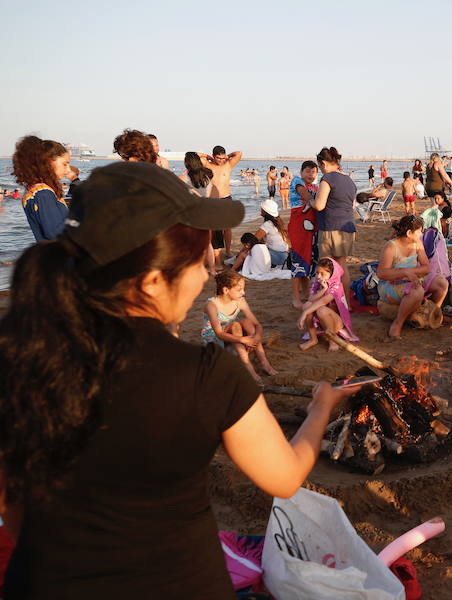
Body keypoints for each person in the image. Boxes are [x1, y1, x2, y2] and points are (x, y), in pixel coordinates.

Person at [0, 161, 364, 597]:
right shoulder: (205, 373)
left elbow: (15, 511)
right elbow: (284, 478)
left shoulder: (19, 356)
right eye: (196, 264)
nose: (204, 276)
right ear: (152, 281)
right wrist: (322, 405)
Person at [376, 216, 449, 338]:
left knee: (442, 283)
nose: (422, 233)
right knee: (417, 291)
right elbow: (382, 273)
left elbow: (426, 268)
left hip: (413, 279)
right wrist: (405, 273)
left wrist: (410, 273)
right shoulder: (391, 247)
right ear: (409, 233)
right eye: (420, 230)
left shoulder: (417, 244)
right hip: (391, 285)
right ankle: (397, 323)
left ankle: (432, 313)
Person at [201, 271, 277, 381]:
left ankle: (264, 362)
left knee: (247, 322)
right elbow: (219, 333)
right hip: (215, 338)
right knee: (236, 324)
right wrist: (243, 340)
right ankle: (248, 366)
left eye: (243, 289)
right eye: (239, 290)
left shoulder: (240, 301)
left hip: (233, 335)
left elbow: (257, 324)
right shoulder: (212, 305)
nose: (243, 292)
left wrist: (257, 337)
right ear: (226, 290)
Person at [311, 146, 357, 300]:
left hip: (331, 227)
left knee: (326, 267)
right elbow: (350, 205)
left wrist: (309, 200)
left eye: (319, 166)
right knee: (342, 266)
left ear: (324, 163)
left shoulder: (328, 178)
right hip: (348, 227)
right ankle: (347, 303)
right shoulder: (349, 180)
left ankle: (329, 302)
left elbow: (319, 205)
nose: (320, 170)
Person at [11, 135, 72, 242]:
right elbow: (54, 232)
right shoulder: (43, 193)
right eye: (64, 164)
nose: (68, 170)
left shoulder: (35, 190)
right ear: (49, 162)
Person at [298, 257, 358, 351]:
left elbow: (324, 301)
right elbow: (310, 298)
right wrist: (323, 290)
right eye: (317, 272)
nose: (318, 276)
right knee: (307, 305)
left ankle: (333, 340)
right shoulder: (318, 283)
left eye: (322, 273)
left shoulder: (336, 286)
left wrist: (304, 313)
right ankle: (313, 339)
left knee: (321, 310)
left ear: (332, 274)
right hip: (321, 321)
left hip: (336, 322)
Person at [199, 145, 243, 259]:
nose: (221, 160)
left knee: (227, 228)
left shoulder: (228, 165)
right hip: (212, 201)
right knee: (213, 229)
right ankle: (214, 251)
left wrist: (227, 156)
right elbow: (195, 156)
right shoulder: (207, 165)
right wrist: (207, 156)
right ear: (214, 156)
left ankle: (228, 251)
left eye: (223, 158)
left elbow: (239, 153)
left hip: (226, 198)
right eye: (218, 158)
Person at [181, 151, 217, 276]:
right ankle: (212, 269)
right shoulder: (207, 177)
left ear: (187, 163)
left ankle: (195, 268)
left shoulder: (184, 178)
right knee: (207, 244)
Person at [289, 161, 319, 307]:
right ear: (301, 172)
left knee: (309, 259)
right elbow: (305, 195)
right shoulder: (296, 180)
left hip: (312, 227)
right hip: (298, 226)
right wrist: (317, 202)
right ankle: (296, 297)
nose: (310, 175)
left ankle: (306, 292)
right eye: (307, 171)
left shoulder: (316, 187)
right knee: (298, 260)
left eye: (313, 172)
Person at [255, 199, 290, 267]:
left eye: (262, 208)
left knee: (254, 248)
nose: (261, 209)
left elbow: (253, 239)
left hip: (278, 257)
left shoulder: (267, 224)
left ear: (266, 211)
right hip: (285, 256)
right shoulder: (278, 222)